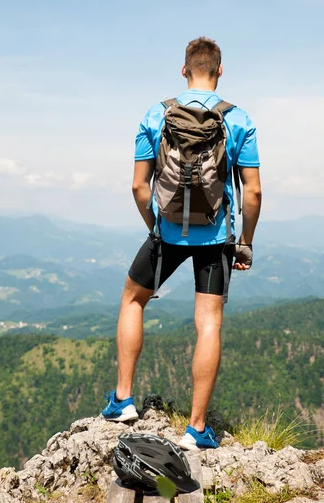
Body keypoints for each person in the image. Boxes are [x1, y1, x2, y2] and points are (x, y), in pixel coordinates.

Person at [102, 37, 262, 451]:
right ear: (220, 71)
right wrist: (244, 242)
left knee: (133, 299)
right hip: (216, 237)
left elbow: (139, 186)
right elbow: (254, 193)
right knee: (208, 322)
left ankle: (122, 400)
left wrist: (156, 226)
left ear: (184, 69)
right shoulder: (238, 119)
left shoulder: (156, 114)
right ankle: (195, 429)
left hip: (166, 232)